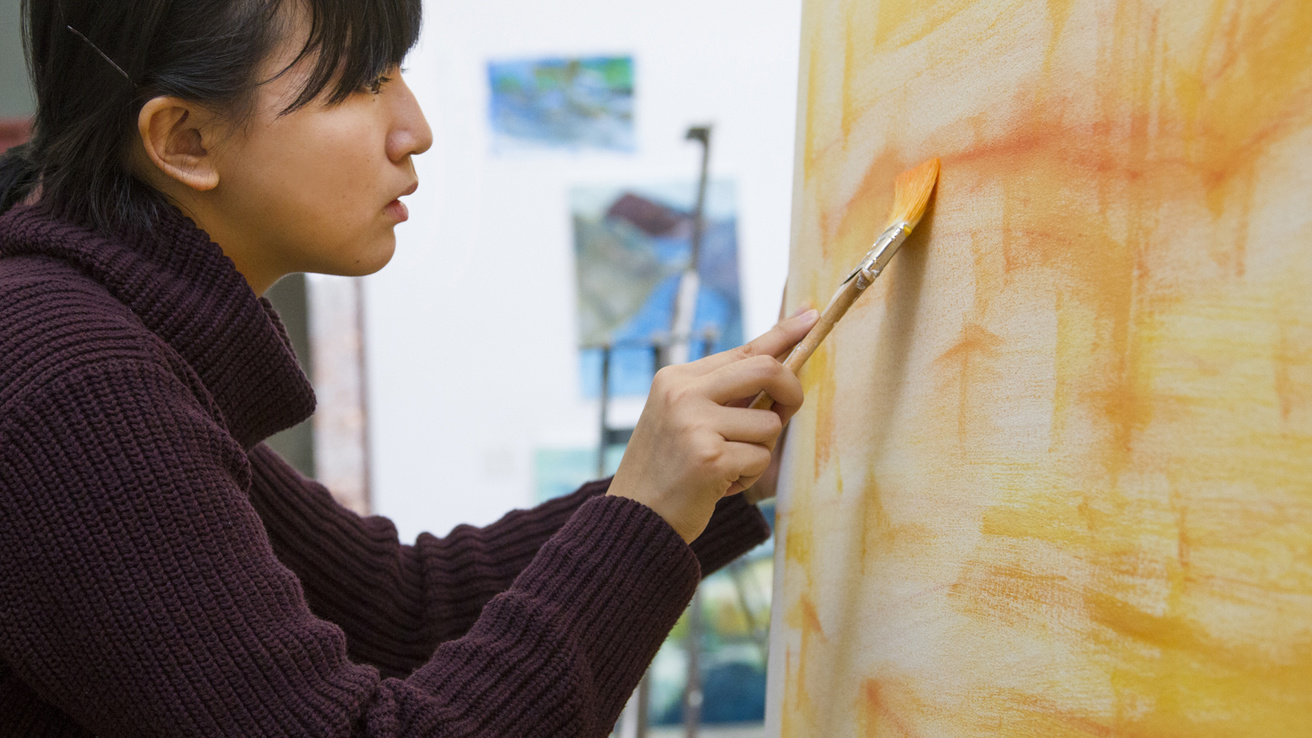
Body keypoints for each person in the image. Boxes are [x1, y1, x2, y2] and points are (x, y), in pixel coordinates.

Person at [0, 1, 818, 735]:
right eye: (360, 82)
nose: (414, 127)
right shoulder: (74, 383)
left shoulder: (102, 338)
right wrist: (644, 514)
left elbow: (400, 607)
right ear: (184, 140)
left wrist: (707, 478)